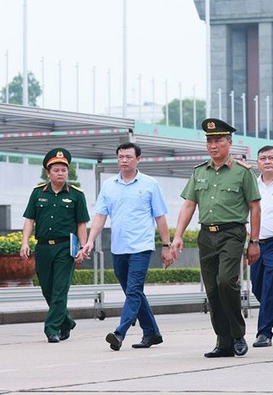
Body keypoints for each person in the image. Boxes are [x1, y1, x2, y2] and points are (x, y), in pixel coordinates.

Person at [172, 118, 261, 358]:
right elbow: (189, 204)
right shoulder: (199, 171)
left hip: (232, 233)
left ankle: (237, 333)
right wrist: (178, 235)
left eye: (218, 140)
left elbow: (255, 207)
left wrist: (254, 241)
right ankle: (223, 342)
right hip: (206, 235)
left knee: (225, 282)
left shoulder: (243, 172)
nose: (213, 145)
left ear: (229, 142)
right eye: (209, 141)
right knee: (212, 289)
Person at [83, 142, 173, 351]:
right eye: (120, 157)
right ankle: (152, 333)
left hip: (141, 247)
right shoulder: (109, 185)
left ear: (138, 159)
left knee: (133, 291)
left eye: (128, 157)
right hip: (118, 248)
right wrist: (89, 241)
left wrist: (166, 246)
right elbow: (100, 216)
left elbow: (160, 218)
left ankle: (119, 333)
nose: (124, 160)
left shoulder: (150, 184)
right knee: (134, 293)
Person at [20, 148, 89, 343]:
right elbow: (29, 220)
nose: (60, 173)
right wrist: (25, 242)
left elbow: (81, 224)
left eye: (64, 170)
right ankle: (66, 322)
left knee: (60, 288)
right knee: (47, 288)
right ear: (48, 173)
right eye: (56, 170)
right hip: (43, 247)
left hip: (65, 248)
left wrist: (83, 248)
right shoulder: (37, 193)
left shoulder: (76, 195)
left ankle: (52, 328)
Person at [248, 145, 273, 348]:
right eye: (263, 158)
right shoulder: (251, 185)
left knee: (270, 286)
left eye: (271, 157)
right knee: (257, 287)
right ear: (258, 163)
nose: (267, 161)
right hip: (255, 243)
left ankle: (264, 332)